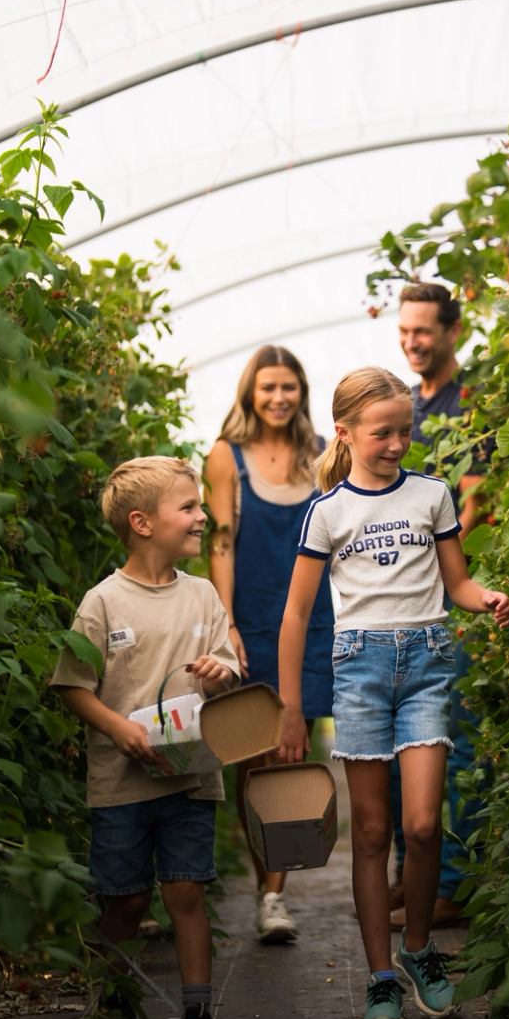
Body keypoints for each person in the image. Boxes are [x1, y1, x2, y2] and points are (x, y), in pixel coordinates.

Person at [274, 367, 509, 1019]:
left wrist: (484, 597)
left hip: (429, 664)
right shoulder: (329, 513)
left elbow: (456, 583)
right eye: (384, 433)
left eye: (405, 429)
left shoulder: (432, 496)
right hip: (360, 671)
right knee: (374, 832)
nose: (398, 443)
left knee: (424, 823)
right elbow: (296, 616)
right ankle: (381, 978)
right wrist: (292, 707)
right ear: (346, 433)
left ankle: (419, 953)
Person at [50, 456, 242, 1019]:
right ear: (142, 522)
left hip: (191, 776)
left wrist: (221, 673)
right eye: (187, 507)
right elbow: (72, 684)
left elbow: (229, 668)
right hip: (121, 783)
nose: (201, 516)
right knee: (126, 902)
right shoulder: (102, 603)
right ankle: (115, 1000)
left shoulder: (203, 594)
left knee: (186, 892)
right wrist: (117, 728)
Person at [203, 345, 336, 945]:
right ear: (250, 393)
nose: (279, 398)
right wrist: (225, 619)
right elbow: (222, 544)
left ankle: (277, 894)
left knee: (293, 752)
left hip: (314, 622)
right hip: (253, 621)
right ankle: (266, 888)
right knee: (255, 760)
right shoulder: (225, 457)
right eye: (268, 388)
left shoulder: (321, 455)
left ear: (301, 392)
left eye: (289, 387)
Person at [388, 282, 490, 930]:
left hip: (453, 597)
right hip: (406, 598)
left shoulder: (471, 402)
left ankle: (459, 884)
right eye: (404, 331)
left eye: (423, 331)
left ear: (453, 329)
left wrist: (435, 564)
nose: (412, 341)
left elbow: (478, 503)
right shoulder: (409, 404)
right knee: (407, 739)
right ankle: (415, 873)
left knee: (457, 742)